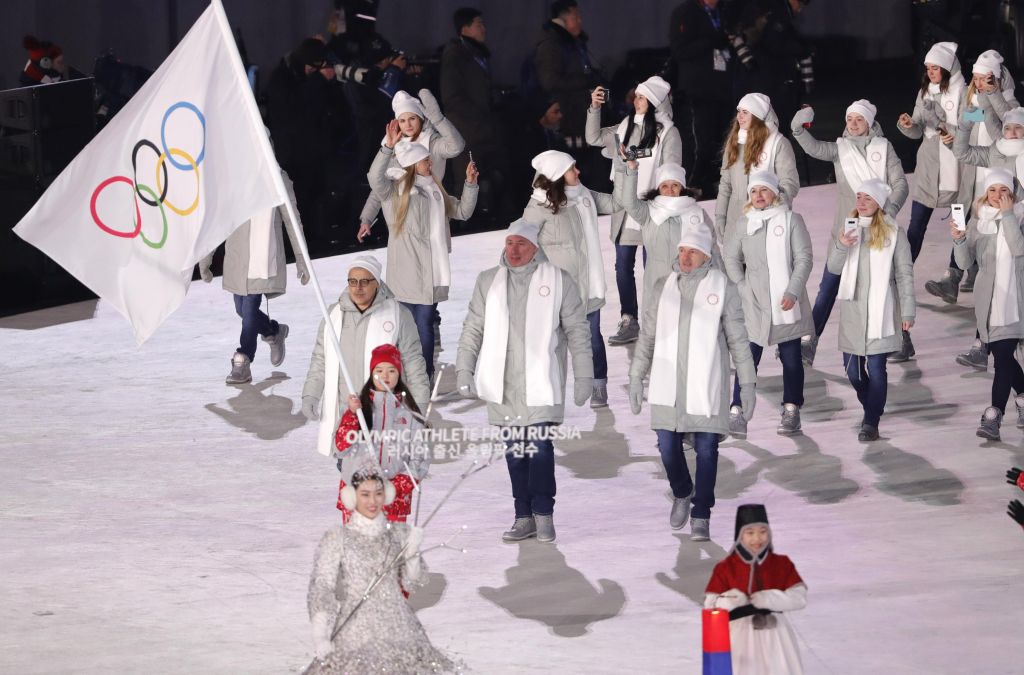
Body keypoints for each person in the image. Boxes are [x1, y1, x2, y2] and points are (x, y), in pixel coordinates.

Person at [456, 220, 593, 544]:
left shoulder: (558, 281)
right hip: (503, 384)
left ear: (535, 248)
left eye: (521, 244)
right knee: (516, 454)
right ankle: (523, 516)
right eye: (509, 243)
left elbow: (577, 330)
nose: (513, 250)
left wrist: (584, 374)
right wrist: (464, 369)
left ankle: (544, 514)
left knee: (540, 449)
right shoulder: (488, 281)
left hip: (541, 380)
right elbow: (473, 328)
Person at [628, 225, 757, 540]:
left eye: (692, 252)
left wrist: (748, 383)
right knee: (668, 449)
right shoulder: (663, 286)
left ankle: (702, 512)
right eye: (682, 250)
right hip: (666, 383)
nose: (685, 257)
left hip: (706, 384)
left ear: (706, 256)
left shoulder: (722, 288)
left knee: (707, 450)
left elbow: (739, 340)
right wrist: (636, 375)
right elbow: (648, 335)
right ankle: (682, 491)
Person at [304, 465, 457, 674]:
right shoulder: (337, 538)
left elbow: (415, 580)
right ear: (352, 497)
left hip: (399, 627)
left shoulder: (399, 533)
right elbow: (321, 588)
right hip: (355, 630)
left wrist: (412, 552)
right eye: (365, 494)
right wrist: (320, 635)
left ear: (386, 495)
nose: (372, 501)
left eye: (378, 494)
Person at [789, 100, 909, 365]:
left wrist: (887, 211)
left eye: (859, 120)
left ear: (869, 123)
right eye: (850, 119)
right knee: (828, 285)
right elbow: (814, 148)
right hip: (847, 229)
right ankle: (810, 341)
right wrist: (797, 128)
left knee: (888, 285)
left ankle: (902, 339)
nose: (853, 124)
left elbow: (900, 183)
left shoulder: (883, 148)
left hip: (879, 230)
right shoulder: (840, 149)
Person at [367, 124, 479, 382]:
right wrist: (387, 147)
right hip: (405, 274)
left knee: (424, 326)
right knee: (404, 330)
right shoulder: (393, 191)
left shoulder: (435, 191)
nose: (430, 162)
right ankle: (399, 376)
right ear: (411, 164)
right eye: (424, 159)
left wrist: (470, 185)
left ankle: (423, 377)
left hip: (430, 273)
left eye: (428, 158)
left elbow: (462, 212)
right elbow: (374, 177)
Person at [301, 255, 430, 459]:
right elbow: (320, 360)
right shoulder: (333, 315)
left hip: (385, 412)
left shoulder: (398, 315)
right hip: (345, 414)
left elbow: (414, 363)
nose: (358, 287)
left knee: (381, 477)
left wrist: (419, 406)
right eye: (352, 281)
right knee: (349, 474)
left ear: (377, 284)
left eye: (364, 281)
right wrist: (310, 394)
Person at [587, 75, 682, 345]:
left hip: (654, 210)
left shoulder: (668, 132)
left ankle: (658, 319)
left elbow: (672, 169)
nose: (635, 100)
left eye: (641, 97)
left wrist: (665, 203)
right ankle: (629, 318)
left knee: (654, 266)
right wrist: (595, 108)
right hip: (626, 207)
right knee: (622, 266)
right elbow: (593, 137)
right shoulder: (626, 126)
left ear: (652, 102)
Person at [198, 167, 310, 384]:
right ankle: (273, 331)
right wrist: (206, 259)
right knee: (241, 310)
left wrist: (302, 259)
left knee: (248, 311)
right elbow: (218, 222)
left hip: (263, 259)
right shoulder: (231, 177)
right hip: (238, 260)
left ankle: (243, 359)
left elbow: (292, 220)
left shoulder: (277, 177)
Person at [926, 49, 1019, 310]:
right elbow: (966, 126)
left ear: (997, 79)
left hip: (995, 177)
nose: (978, 84)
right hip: (973, 172)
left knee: (983, 225)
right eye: (976, 79)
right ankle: (954, 275)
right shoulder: (976, 104)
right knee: (960, 216)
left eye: (984, 79)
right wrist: (946, 131)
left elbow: (1004, 120)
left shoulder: (1011, 106)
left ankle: (959, 274)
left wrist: (991, 95)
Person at [523, 149, 617, 407]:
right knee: (553, 343)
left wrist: (625, 169)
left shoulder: (583, 195)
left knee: (592, 339)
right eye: (572, 169)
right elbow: (525, 247)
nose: (578, 172)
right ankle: (549, 390)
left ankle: (599, 386)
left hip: (589, 283)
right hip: (558, 290)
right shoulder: (537, 208)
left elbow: (615, 203)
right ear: (557, 176)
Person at [723, 171, 813, 438]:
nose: (758, 196)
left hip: (785, 301)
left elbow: (804, 259)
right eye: (753, 191)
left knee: (791, 359)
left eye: (764, 190)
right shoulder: (744, 223)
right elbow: (730, 258)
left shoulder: (791, 220)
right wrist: (741, 286)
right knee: (747, 359)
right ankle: (738, 411)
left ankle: (791, 408)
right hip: (754, 303)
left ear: (774, 193)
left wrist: (793, 291)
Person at [827, 179, 915, 442]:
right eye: (859, 197)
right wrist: (842, 244)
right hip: (854, 312)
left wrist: (908, 311)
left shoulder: (893, 232)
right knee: (853, 372)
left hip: (882, 310)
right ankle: (872, 407)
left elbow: (904, 273)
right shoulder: (848, 228)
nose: (861, 202)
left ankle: (871, 422)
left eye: (868, 198)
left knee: (877, 368)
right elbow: (833, 268)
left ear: (879, 203)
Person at [949, 169, 1024, 441]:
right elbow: (966, 263)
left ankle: (993, 417)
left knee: (1002, 357)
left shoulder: (1020, 217)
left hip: (1016, 302)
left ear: (1012, 195)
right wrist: (958, 239)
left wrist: (1007, 216)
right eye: (992, 190)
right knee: (1002, 357)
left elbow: (1018, 248)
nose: (997, 196)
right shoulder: (978, 222)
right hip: (988, 303)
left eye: (1003, 191)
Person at [948, 108, 1024, 371]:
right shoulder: (996, 151)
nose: (1012, 133)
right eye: (1008, 128)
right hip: (997, 220)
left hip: (1019, 222)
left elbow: (994, 111)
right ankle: (983, 344)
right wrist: (966, 121)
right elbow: (962, 152)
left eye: (1018, 128)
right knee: (992, 279)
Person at [704, 504, 807, 675]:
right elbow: (710, 605)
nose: (757, 538)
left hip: (777, 636)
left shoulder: (781, 564)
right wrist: (729, 600)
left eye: (762, 531)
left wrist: (770, 599)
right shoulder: (725, 568)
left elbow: (799, 598)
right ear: (740, 536)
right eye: (750, 533)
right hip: (739, 636)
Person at [266, 37, 348, 246]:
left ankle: (318, 240)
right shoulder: (280, 79)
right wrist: (319, 81)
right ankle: (299, 246)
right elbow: (292, 111)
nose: (315, 71)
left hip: (316, 154)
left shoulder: (310, 80)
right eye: (313, 67)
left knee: (317, 201)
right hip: (292, 157)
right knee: (299, 205)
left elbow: (333, 110)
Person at [357, 89, 466, 243]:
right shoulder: (393, 148)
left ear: (420, 118)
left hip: (431, 217)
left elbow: (457, 146)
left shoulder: (432, 142)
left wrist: (438, 120)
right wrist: (367, 219)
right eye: (402, 120)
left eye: (412, 118)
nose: (407, 124)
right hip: (404, 223)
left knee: (436, 265)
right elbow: (380, 189)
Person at [334, 344, 429, 521]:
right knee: (358, 547)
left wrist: (395, 487)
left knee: (390, 548)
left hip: (394, 500)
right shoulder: (359, 409)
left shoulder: (409, 413)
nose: (385, 376)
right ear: (372, 373)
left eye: (391, 370)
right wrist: (352, 415)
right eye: (379, 370)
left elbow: (421, 457)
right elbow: (340, 448)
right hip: (358, 496)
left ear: (399, 374)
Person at [614, 157, 716, 311]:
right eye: (664, 186)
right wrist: (632, 170)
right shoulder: (648, 211)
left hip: (691, 283)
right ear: (658, 189)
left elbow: (712, 248)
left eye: (675, 185)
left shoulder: (697, 213)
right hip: (657, 284)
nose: (670, 191)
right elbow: (628, 202)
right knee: (656, 330)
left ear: (682, 187)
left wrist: (720, 281)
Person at [896, 42, 966, 265]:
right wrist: (908, 124)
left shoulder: (965, 91)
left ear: (947, 68)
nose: (931, 73)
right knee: (916, 224)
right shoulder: (924, 92)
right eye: (928, 68)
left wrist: (946, 128)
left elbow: (974, 123)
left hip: (957, 166)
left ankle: (956, 273)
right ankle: (902, 274)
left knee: (960, 224)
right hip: (928, 167)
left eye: (935, 68)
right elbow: (918, 131)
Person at [440, 8, 511, 222]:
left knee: (500, 178)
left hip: (487, 131)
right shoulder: (454, 54)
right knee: (467, 185)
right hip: (468, 133)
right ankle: (464, 229)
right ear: (465, 28)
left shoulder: (478, 53)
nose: (484, 28)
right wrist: (478, 118)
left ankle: (501, 222)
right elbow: (452, 97)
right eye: (479, 23)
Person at [668, 0, 735, 198]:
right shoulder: (685, 12)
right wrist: (712, 40)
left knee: (722, 143)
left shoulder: (725, 10)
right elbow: (679, 50)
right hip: (698, 92)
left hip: (723, 89)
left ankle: (715, 187)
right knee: (702, 144)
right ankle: (694, 187)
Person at [716, 93, 800, 241]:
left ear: (757, 116)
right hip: (736, 219)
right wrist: (720, 215)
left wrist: (772, 207)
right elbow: (726, 184)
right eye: (739, 111)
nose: (739, 116)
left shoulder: (779, 143)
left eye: (745, 112)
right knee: (734, 263)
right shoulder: (734, 142)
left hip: (769, 218)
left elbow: (789, 183)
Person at [533, 0, 600, 153]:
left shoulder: (575, 43)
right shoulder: (551, 45)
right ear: (561, 20)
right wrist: (586, 79)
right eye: (576, 17)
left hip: (581, 117)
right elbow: (549, 81)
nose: (580, 21)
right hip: (567, 121)